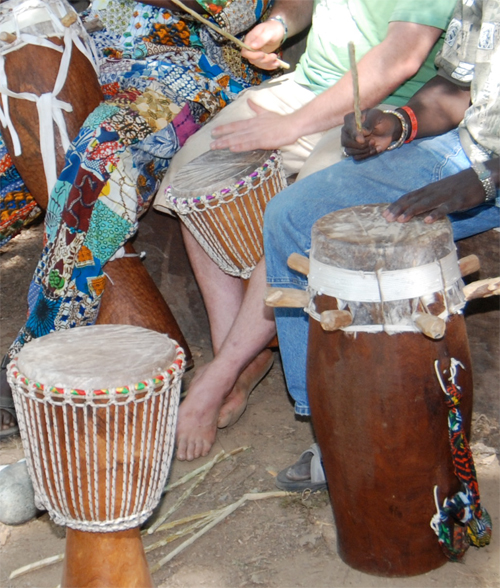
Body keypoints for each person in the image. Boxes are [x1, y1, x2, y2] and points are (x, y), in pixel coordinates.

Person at [172, 0, 500, 465]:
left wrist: (485, 179)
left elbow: (403, 58)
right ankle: (327, 422)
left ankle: (307, 420)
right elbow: (455, 88)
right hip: (466, 145)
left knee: (325, 227)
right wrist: (401, 125)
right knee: (293, 215)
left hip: (488, 169)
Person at [0, 0, 274, 437]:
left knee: (97, 148)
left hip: (187, 73)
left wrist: (278, 24)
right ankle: (121, 324)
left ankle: (42, 332)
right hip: (87, 66)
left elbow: (232, 13)